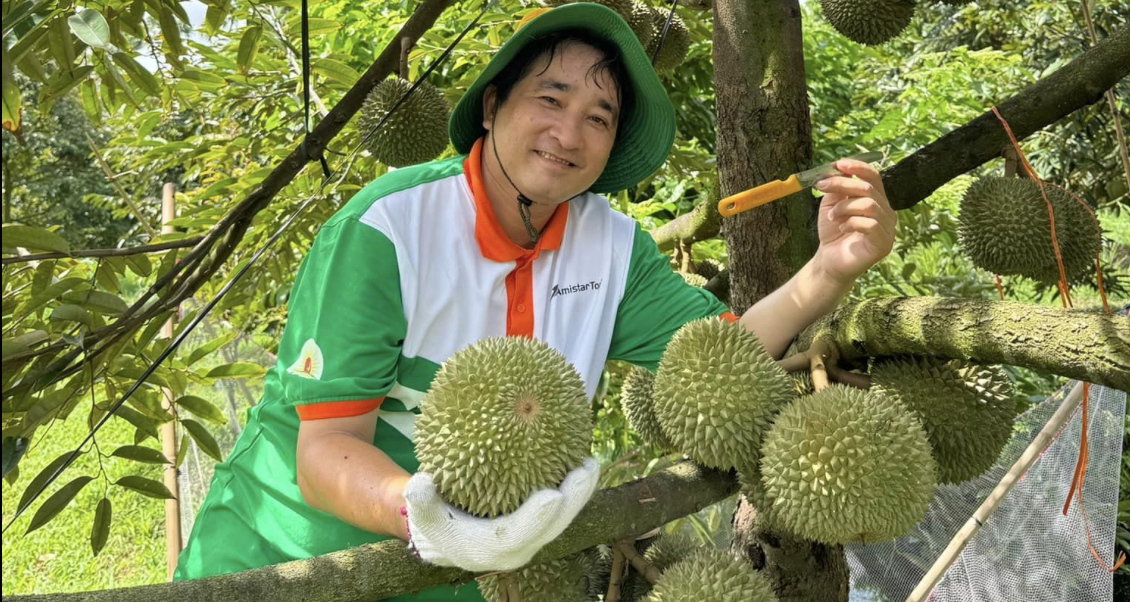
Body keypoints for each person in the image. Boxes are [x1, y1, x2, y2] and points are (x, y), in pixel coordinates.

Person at [172, 3, 895, 600]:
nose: (567, 134)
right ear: (492, 106)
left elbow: (722, 355)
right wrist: (427, 519)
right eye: (550, 99)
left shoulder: (610, 248)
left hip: (461, 579)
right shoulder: (387, 230)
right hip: (285, 558)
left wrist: (830, 269)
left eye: (599, 118)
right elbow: (326, 448)